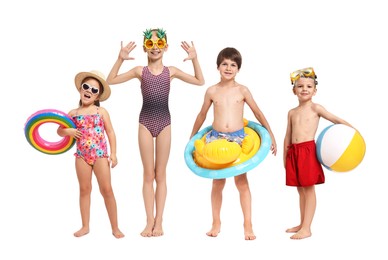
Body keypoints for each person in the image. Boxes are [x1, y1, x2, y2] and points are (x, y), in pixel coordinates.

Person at [106, 28, 205, 237]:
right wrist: (120, 59)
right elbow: (110, 80)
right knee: (148, 174)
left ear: (166, 47)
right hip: (145, 122)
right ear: (144, 48)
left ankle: (159, 222)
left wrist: (195, 59)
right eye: (150, 44)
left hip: (165, 123)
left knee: (161, 174)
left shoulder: (172, 71)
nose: (155, 48)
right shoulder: (139, 71)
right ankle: (148, 221)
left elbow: (200, 81)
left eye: (159, 44)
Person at [189, 47, 277, 240]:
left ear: (238, 69)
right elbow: (202, 115)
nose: (228, 68)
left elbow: (258, 113)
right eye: (225, 64)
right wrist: (192, 137)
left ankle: (248, 224)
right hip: (215, 139)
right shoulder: (211, 91)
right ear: (218, 66)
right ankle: (216, 222)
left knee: (241, 182)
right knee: (217, 183)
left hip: (238, 139)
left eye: (233, 65)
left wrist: (271, 135)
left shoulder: (242, 90)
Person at [283, 67, 354, 239]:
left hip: (308, 151)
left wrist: (352, 131)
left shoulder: (316, 108)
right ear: (294, 91)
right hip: (294, 152)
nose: (304, 89)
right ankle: (302, 223)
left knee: (308, 189)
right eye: (300, 86)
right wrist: (285, 158)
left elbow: (335, 119)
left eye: (308, 86)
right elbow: (288, 135)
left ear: (315, 91)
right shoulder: (291, 112)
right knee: (300, 190)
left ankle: (307, 228)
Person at [57, 70, 124, 239]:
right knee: (84, 189)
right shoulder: (73, 113)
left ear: (98, 96)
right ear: (80, 89)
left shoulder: (101, 112)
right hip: (81, 155)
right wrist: (68, 131)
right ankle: (85, 226)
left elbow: (110, 132)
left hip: (100, 154)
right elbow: (60, 131)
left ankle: (115, 227)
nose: (89, 91)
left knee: (107, 189)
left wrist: (113, 153)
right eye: (86, 87)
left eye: (94, 90)